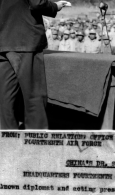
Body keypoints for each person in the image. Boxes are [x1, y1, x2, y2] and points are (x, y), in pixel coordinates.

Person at [0, 0, 66, 129]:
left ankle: (7, 143)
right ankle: (37, 143)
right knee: (34, 96)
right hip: (26, 40)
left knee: (5, 98)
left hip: (3, 41)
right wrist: (55, 6)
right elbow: (37, 3)